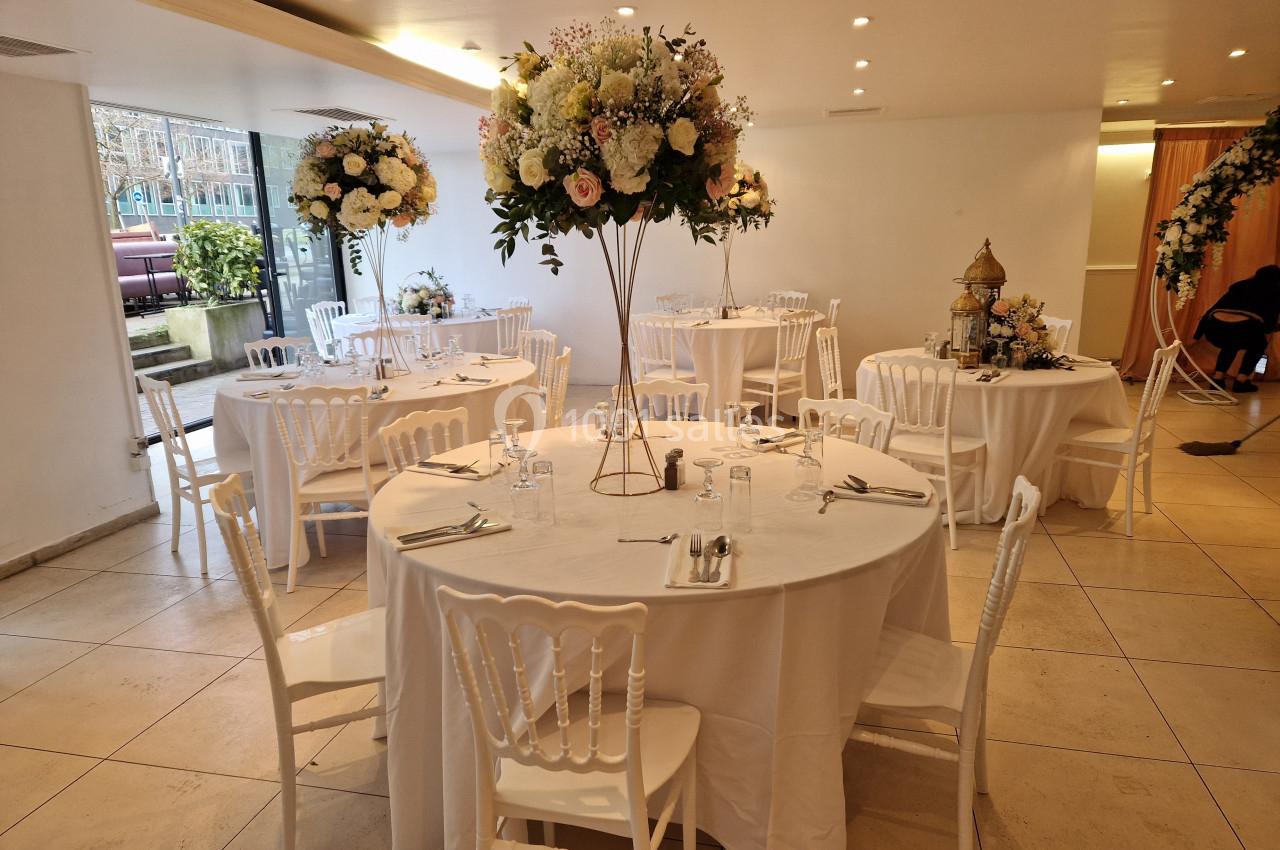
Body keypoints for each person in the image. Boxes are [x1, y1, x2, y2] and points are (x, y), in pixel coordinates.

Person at [1194, 264, 1280, 393]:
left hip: (1215, 326)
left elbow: (1215, 308)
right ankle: (1241, 380)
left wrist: (1198, 333)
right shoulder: (1274, 292)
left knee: (1231, 343)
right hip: (1244, 328)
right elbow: (1269, 323)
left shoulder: (1240, 286)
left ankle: (1217, 379)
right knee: (1259, 344)